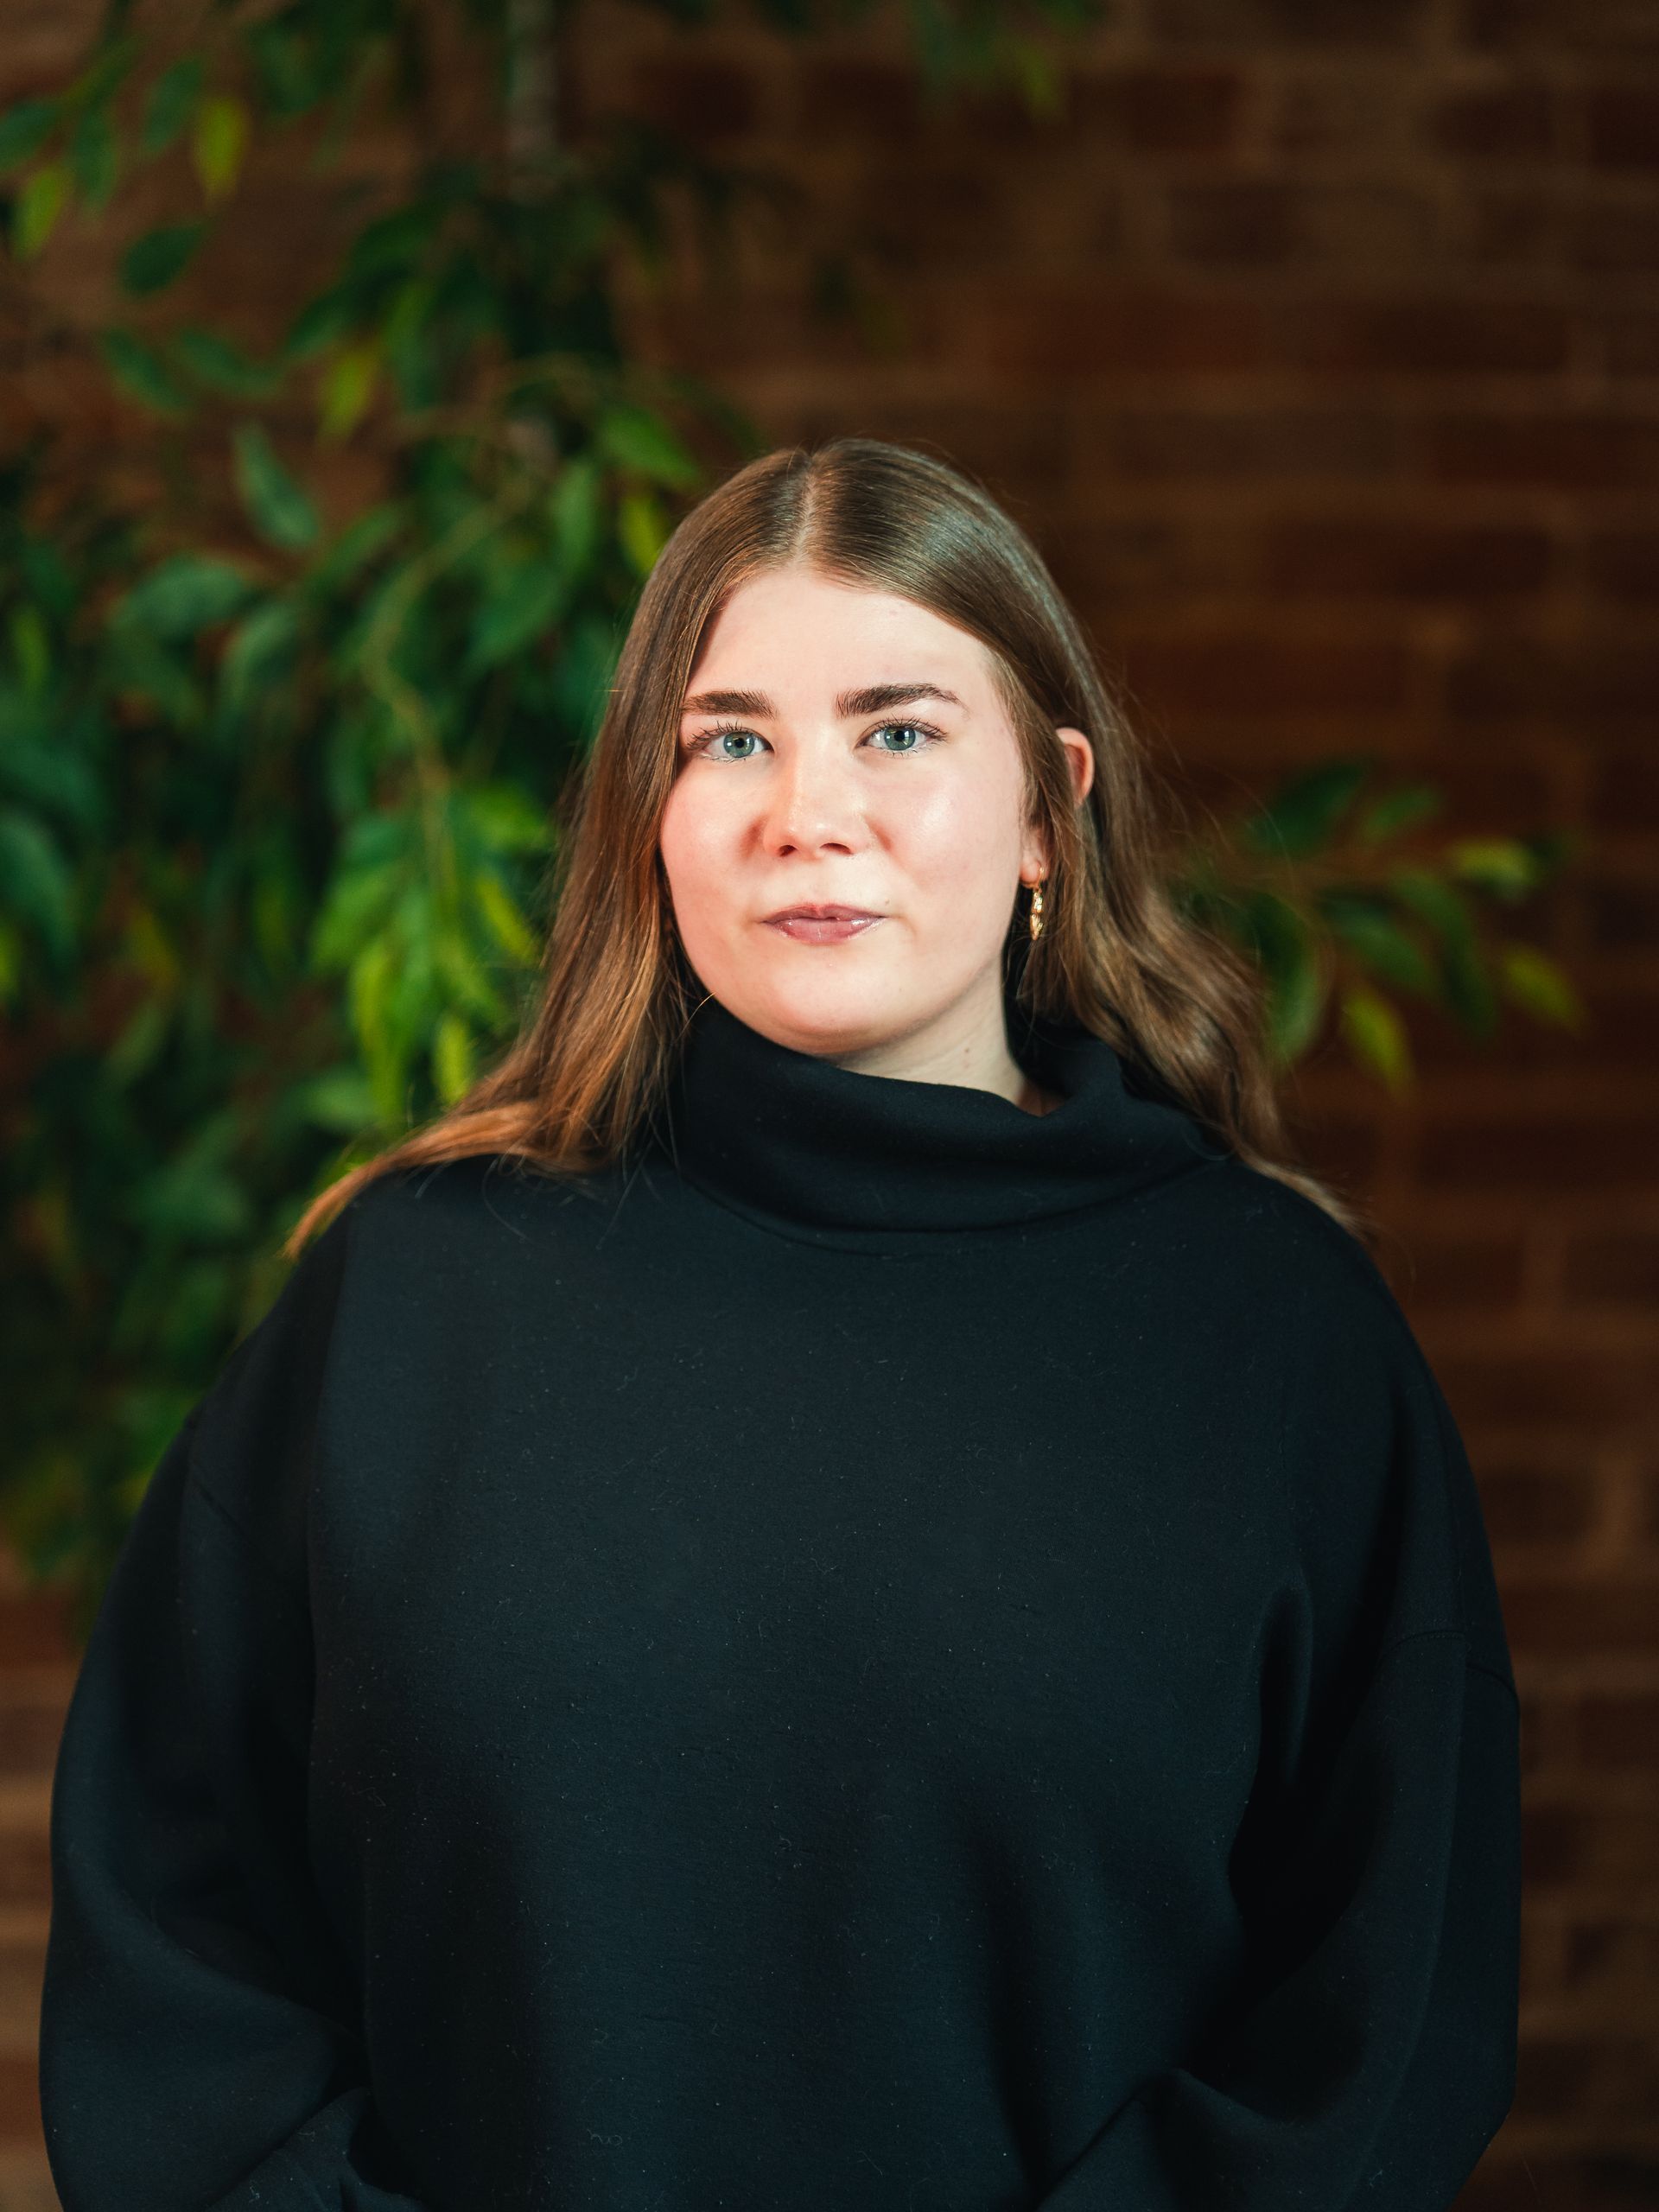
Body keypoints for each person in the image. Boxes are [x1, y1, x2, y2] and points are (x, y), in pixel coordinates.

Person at [39, 437, 1521, 2212]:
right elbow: (174, 1935)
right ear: (648, 816)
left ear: (1051, 805)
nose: (806, 810)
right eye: (729, 738)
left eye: (898, 729)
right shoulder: (411, 1300)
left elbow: (1377, 2015)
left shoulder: (1281, 1340)